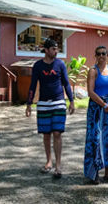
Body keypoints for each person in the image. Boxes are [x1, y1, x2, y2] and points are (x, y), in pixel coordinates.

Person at [25, 38, 75, 179]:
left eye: (57, 48)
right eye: (53, 48)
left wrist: (71, 101)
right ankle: (49, 162)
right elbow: (33, 85)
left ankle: (58, 166)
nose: (56, 51)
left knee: (57, 133)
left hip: (59, 102)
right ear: (46, 50)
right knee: (46, 135)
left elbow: (66, 83)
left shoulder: (60, 64)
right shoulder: (38, 66)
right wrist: (29, 104)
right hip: (43, 104)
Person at [84, 45, 108, 184]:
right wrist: (103, 104)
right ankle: (93, 173)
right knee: (95, 138)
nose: (101, 56)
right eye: (98, 54)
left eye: (103, 53)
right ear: (95, 56)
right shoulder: (93, 71)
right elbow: (90, 92)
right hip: (97, 109)